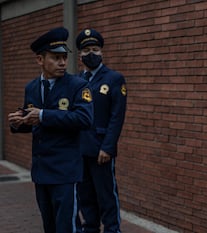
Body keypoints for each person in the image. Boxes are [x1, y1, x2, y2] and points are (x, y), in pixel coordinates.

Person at [7, 27, 93, 233]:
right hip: (41, 170)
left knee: (68, 227)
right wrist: (19, 122)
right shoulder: (32, 87)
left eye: (64, 57)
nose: (63, 63)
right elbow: (33, 120)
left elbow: (84, 118)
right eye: (56, 58)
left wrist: (44, 115)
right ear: (40, 60)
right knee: (49, 226)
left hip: (65, 171)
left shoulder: (78, 86)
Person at [76, 28, 127, 233]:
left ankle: (112, 230)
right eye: (87, 49)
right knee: (85, 195)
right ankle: (91, 228)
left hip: (101, 150)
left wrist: (108, 147)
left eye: (96, 49)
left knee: (106, 196)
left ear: (102, 52)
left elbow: (117, 117)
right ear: (80, 55)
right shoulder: (76, 80)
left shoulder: (114, 78)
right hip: (80, 149)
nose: (92, 53)